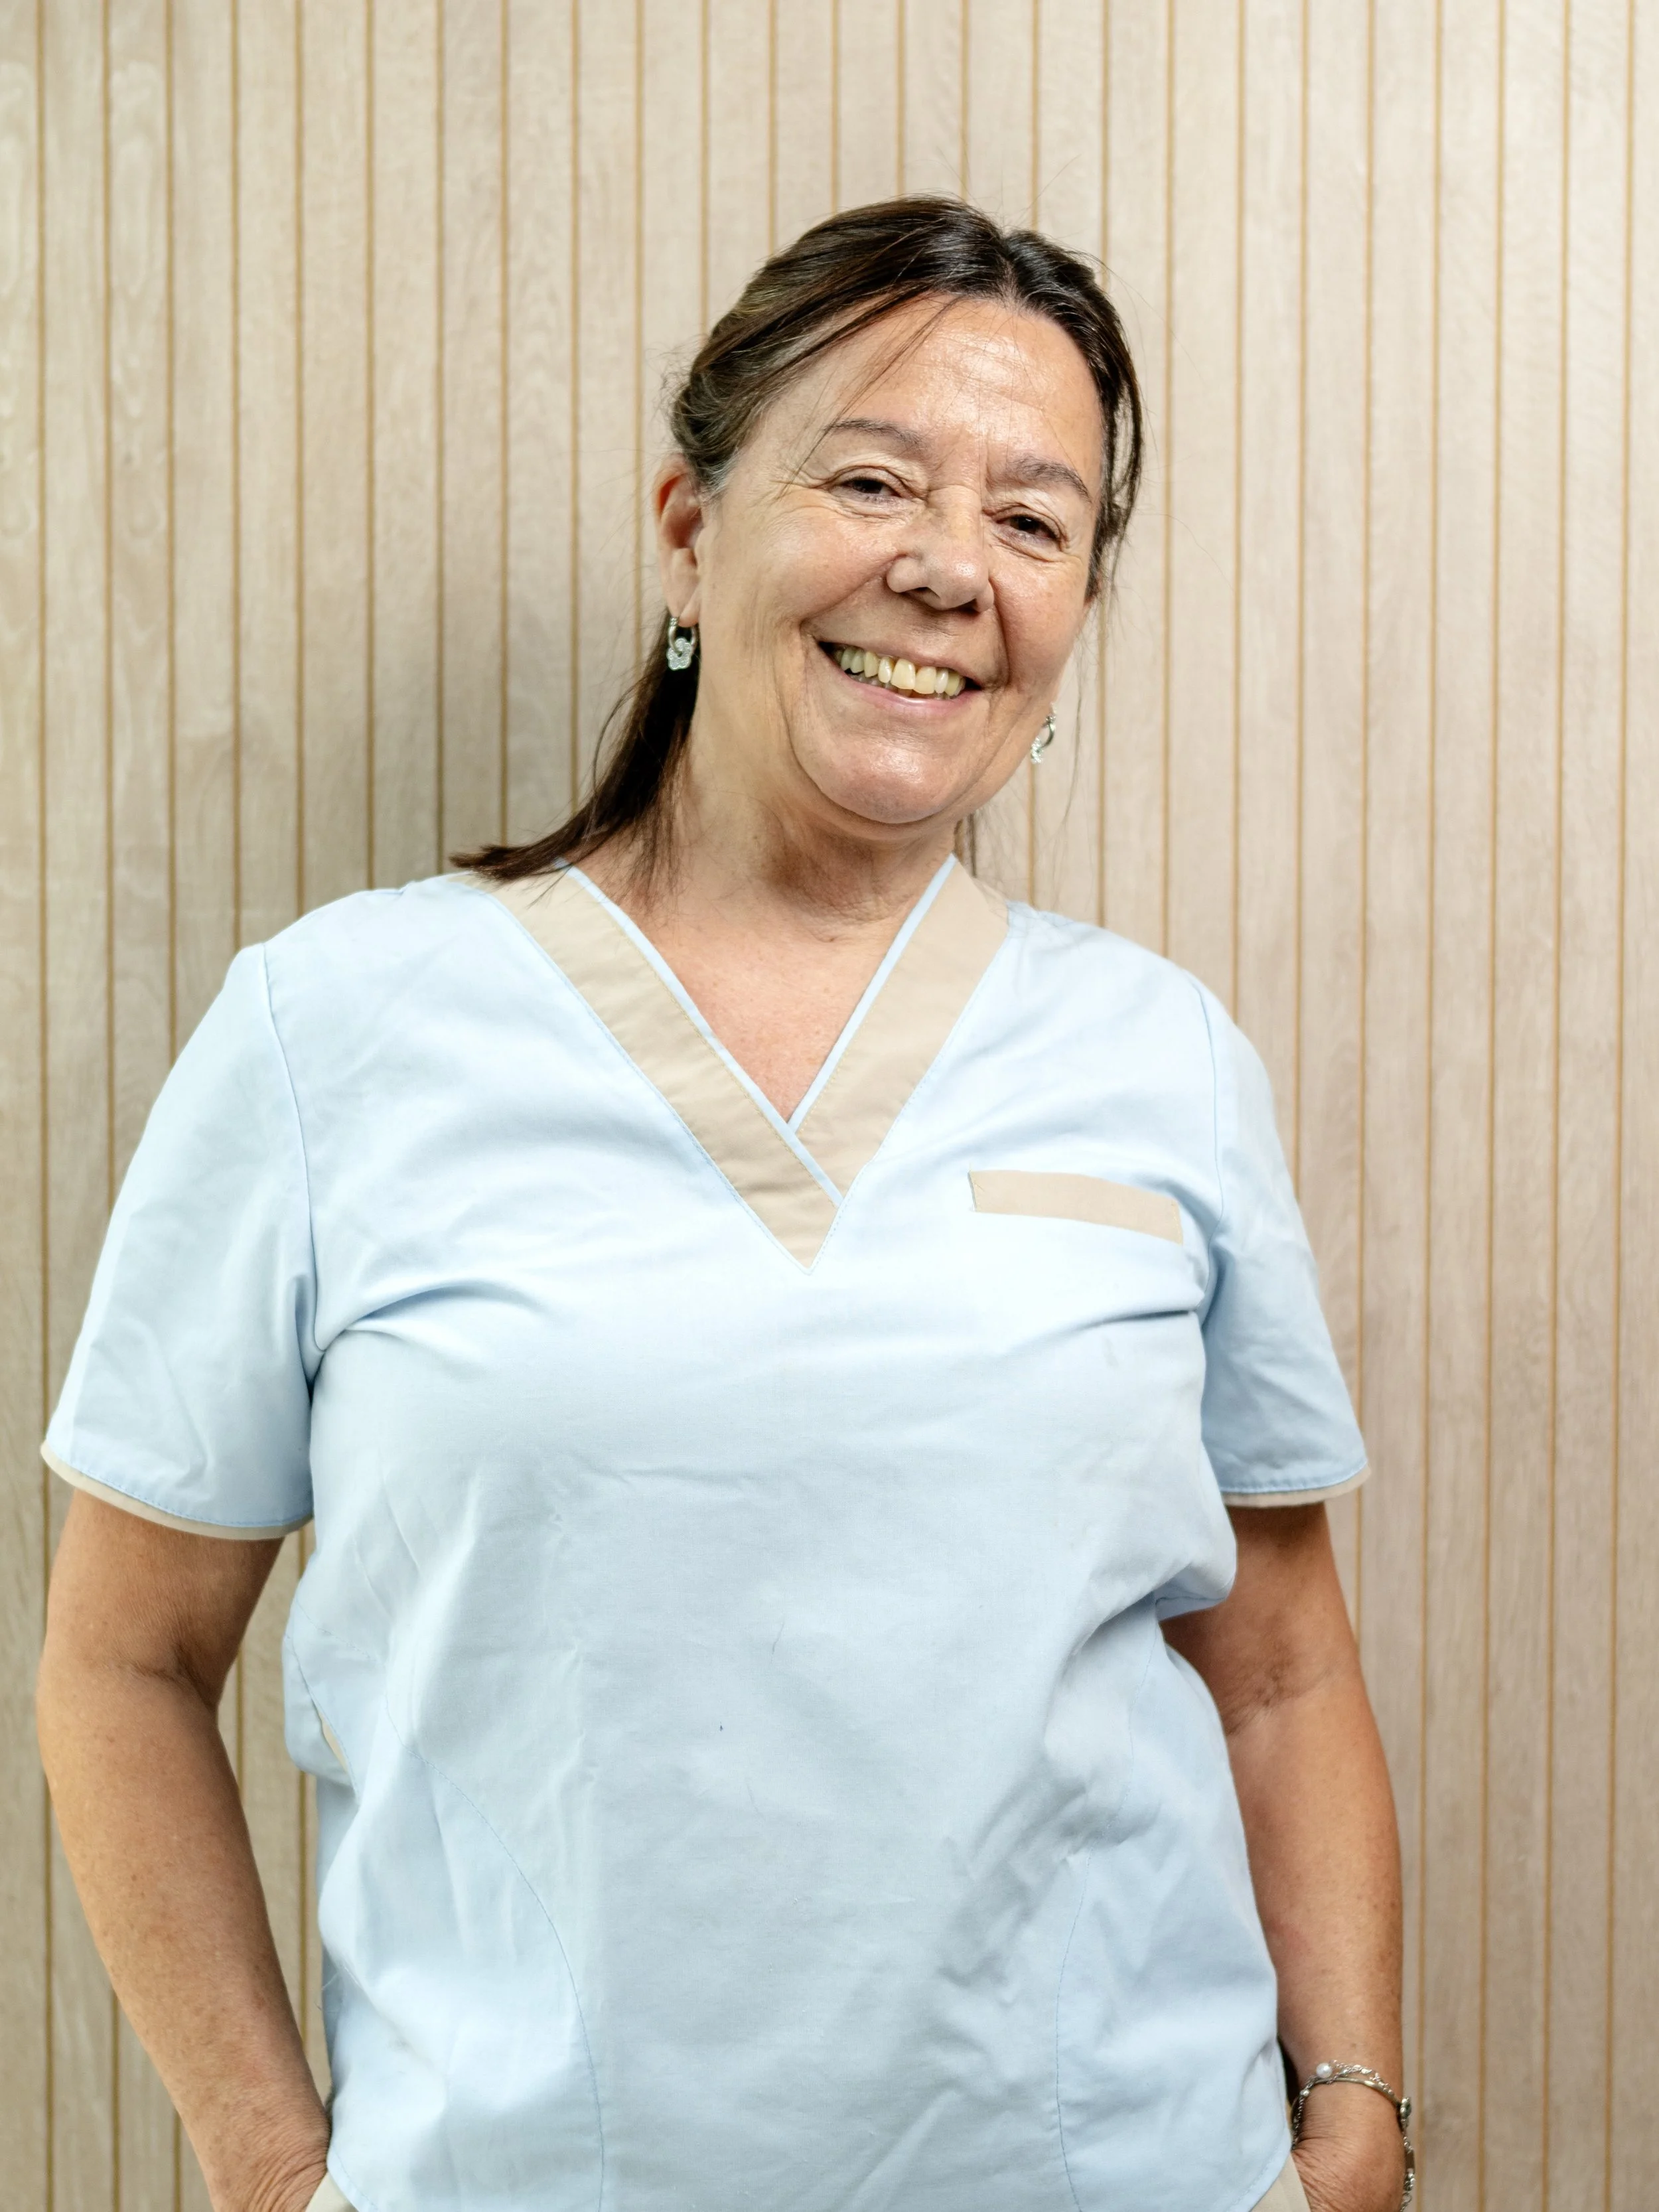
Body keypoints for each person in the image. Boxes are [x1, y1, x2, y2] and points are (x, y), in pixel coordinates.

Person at [36, 197, 1411, 2212]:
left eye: (1036, 522)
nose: (950, 567)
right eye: (872, 480)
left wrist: (1356, 2121)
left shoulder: (1161, 1060)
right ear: (689, 528)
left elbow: (1279, 1660)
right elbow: (123, 1663)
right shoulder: (336, 1030)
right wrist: (271, 2166)